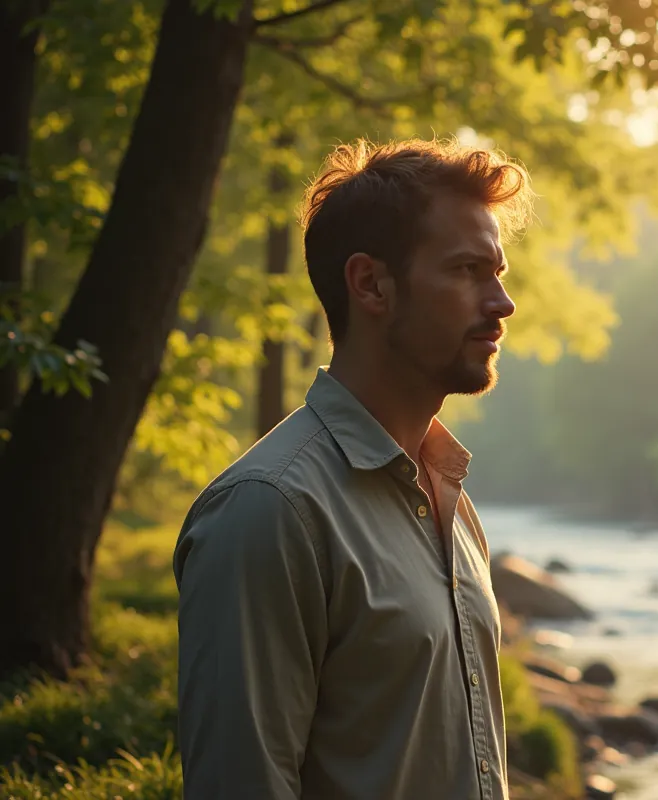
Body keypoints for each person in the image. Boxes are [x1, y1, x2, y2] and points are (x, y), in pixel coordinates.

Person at [173, 137, 532, 800]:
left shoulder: (450, 497)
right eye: (467, 270)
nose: (502, 303)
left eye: (498, 273)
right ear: (370, 284)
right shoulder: (269, 511)